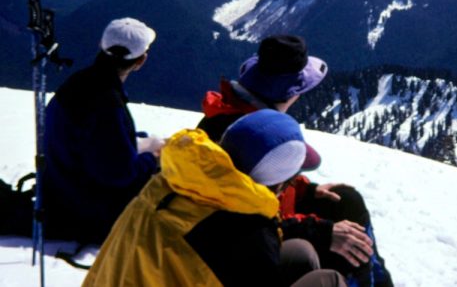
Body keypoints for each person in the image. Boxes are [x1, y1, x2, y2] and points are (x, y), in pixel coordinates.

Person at [198, 35, 393, 287]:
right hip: (246, 238)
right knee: (342, 227)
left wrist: (305, 189)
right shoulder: (240, 135)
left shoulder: (234, 118)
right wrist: (322, 231)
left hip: (260, 221)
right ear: (291, 94)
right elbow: (245, 223)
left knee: (344, 199)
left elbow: (265, 182)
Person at [84, 110, 346, 287]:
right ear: (276, 184)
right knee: (330, 281)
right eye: (290, 181)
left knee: (299, 252)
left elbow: (213, 235)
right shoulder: (246, 236)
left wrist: (311, 230)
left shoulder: (173, 180)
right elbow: (239, 245)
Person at [42, 17, 165, 244]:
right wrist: (154, 159)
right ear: (141, 61)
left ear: (101, 45)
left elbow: (96, 142)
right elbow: (118, 175)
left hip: (59, 188)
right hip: (86, 209)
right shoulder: (106, 102)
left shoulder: (78, 83)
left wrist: (138, 143)